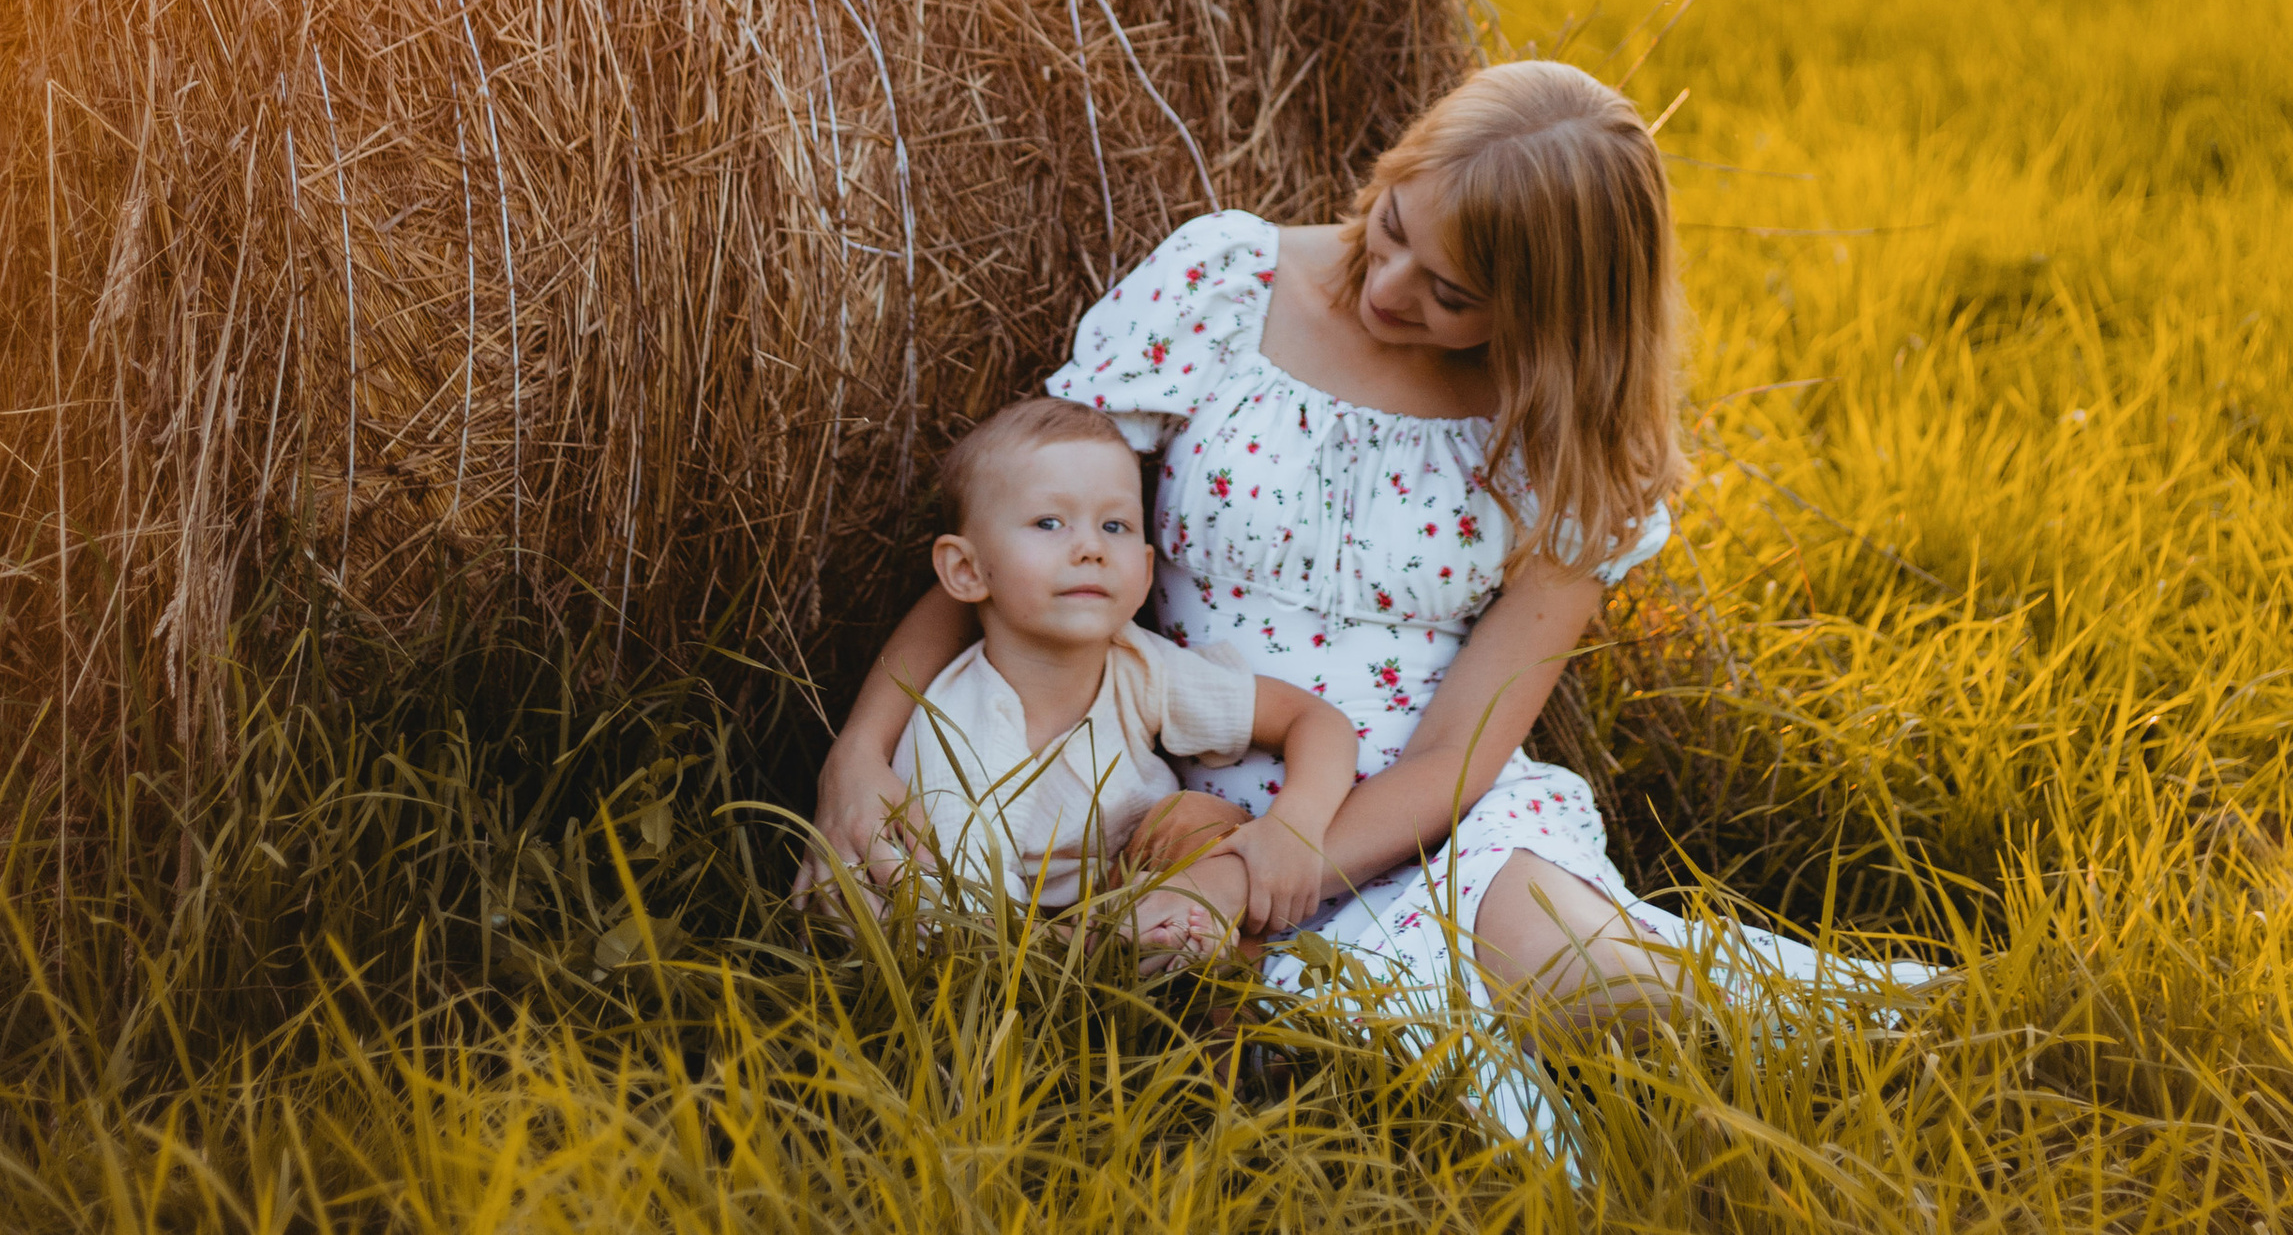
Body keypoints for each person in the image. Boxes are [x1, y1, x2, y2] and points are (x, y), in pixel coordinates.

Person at [808, 59, 1927, 1034]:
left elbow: (1458, 751)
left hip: (1426, 816)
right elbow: (1021, 544)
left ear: (1550, 313)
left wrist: (1277, 862)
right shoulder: (1225, 286)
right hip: (1176, 808)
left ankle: (1923, 1035)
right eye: (1391, 224)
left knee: (1587, 981)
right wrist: (857, 752)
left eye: (1452, 293)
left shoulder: (1565, 440)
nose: (1387, 289)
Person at [817, 395, 1359, 968]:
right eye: (1049, 523)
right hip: (1004, 951)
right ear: (967, 570)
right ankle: (1158, 987)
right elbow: (969, 941)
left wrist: (1295, 823)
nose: (1091, 548)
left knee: (1197, 821)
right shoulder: (957, 740)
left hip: (1124, 897)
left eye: (1114, 525)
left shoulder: (1138, 664)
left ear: (1145, 572)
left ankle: (1233, 1015)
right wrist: (1108, 944)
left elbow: (1312, 720)